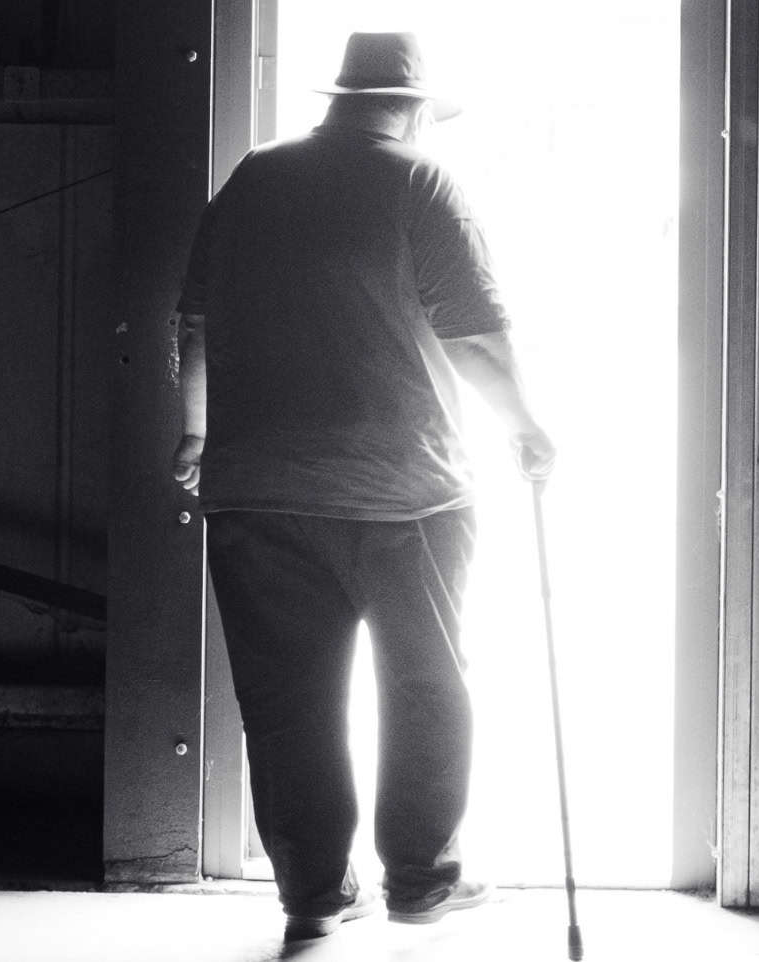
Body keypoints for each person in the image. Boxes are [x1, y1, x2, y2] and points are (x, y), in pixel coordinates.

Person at [170, 32, 557, 941]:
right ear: (415, 105)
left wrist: (195, 432)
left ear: (339, 96)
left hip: (256, 492)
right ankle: (421, 875)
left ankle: (313, 892)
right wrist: (526, 427)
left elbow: (193, 322)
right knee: (426, 685)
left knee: (286, 697)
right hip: (406, 495)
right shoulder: (422, 182)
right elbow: (470, 336)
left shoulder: (252, 180)